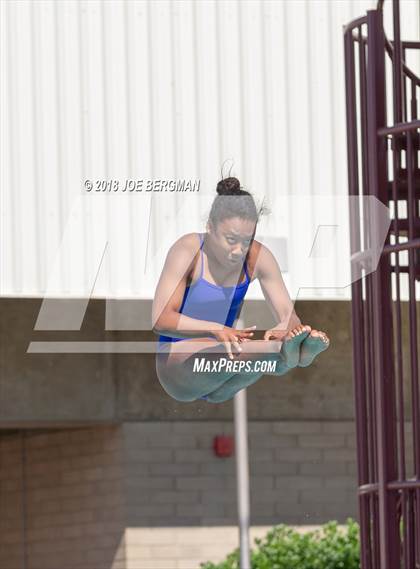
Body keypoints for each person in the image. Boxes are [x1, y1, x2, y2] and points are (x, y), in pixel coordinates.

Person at [152, 177, 329, 403]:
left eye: (246, 241)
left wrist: (287, 327)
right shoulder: (188, 250)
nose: (238, 250)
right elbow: (161, 319)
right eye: (231, 239)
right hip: (178, 367)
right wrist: (216, 329)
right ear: (209, 227)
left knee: (258, 356)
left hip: (224, 372)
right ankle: (295, 356)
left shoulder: (258, 257)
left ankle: (292, 353)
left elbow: (289, 314)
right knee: (256, 353)